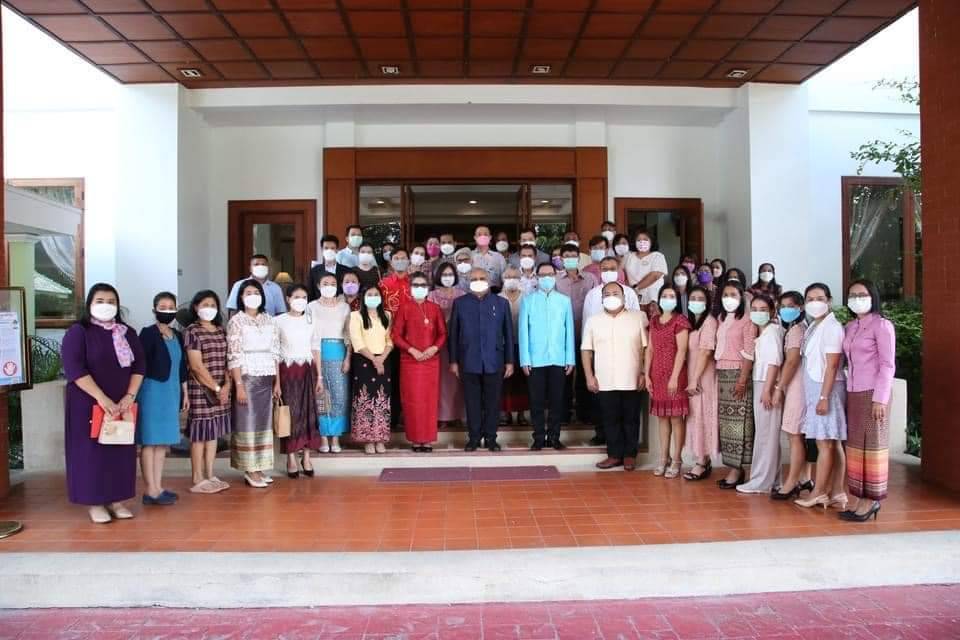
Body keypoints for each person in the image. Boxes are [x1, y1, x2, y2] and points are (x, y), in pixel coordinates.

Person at [62, 283, 146, 523]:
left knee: (120, 450)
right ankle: (95, 503)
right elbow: (74, 369)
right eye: (100, 301)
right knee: (92, 453)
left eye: (111, 301)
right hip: (88, 403)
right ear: (89, 304)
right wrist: (102, 398)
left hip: (122, 404)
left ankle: (117, 500)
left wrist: (129, 396)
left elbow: (140, 365)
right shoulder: (79, 332)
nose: (106, 305)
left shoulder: (126, 333)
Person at [841, 279, 895, 521]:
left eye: (861, 294)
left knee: (872, 446)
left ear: (873, 296)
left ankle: (871, 500)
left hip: (874, 393)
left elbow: (887, 364)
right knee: (855, 447)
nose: (857, 299)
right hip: (853, 391)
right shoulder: (850, 326)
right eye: (852, 295)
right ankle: (858, 497)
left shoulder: (882, 325)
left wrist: (880, 399)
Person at [582, 282, 648, 471]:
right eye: (607, 294)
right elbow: (586, 350)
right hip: (604, 379)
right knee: (610, 419)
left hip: (632, 377)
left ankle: (630, 455)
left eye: (616, 293)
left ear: (624, 297)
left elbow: (647, 349)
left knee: (631, 419)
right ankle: (614, 455)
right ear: (602, 298)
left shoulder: (639, 317)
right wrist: (589, 376)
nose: (611, 296)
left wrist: (644, 372)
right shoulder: (593, 321)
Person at [448, 268, 515, 452]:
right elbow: (453, 334)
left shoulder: (501, 303)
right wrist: (453, 361)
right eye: (474, 279)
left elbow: (508, 334)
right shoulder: (460, 303)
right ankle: (474, 438)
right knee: (472, 402)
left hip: (494, 360)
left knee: (493, 403)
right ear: (468, 282)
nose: (478, 281)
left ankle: (491, 438)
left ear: (489, 280)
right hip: (468, 360)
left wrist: (509, 361)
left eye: (482, 278)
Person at [795, 283, 848, 510]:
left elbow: (833, 364)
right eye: (810, 299)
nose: (814, 303)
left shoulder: (832, 327)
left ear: (829, 300)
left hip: (826, 389)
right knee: (832, 441)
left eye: (819, 298)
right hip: (817, 387)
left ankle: (818, 493)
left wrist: (824, 397)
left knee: (824, 442)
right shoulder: (815, 326)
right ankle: (837, 492)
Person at [226, 279, 281, 488]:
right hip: (247, 376)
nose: (253, 296)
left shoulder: (269, 320)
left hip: (266, 376)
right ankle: (249, 469)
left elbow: (276, 352)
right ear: (241, 297)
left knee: (263, 423)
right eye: (248, 292)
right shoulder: (236, 321)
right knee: (247, 421)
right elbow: (234, 354)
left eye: (256, 292)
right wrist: (239, 385)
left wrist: (277, 382)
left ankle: (259, 466)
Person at [137, 291, 188, 506]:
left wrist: (185, 392)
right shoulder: (147, 334)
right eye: (162, 307)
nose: (167, 310)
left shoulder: (177, 335)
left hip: (171, 392)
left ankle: (158, 487)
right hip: (151, 392)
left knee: (162, 444)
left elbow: (182, 367)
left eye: (170, 307)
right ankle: (150, 490)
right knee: (150, 442)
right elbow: (139, 365)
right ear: (154, 310)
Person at [519, 262, 576, 450]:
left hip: (559, 358)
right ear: (536, 277)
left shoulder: (564, 301)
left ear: (555, 276)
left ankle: (554, 437)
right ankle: (538, 437)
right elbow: (523, 332)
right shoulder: (528, 300)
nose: (546, 278)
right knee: (536, 402)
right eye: (542, 275)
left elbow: (569, 331)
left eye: (550, 274)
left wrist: (570, 358)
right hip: (535, 360)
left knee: (557, 401)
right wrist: (525, 359)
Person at [184, 291, 232, 495]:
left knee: (213, 433)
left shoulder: (221, 330)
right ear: (196, 307)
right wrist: (216, 388)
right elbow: (196, 366)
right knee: (200, 435)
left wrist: (227, 385)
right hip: (201, 389)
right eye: (205, 304)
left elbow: (228, 360)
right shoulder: (192, 331)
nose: (209, 308)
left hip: (221, 389)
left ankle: (210, 474)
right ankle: (197, 478)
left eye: (213, 305)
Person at [392, 272, 447, 452]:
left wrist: (434, 348)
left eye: (423, 285)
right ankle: (415, 439)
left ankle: (428, 439)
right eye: (416, 285)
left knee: (429, 401)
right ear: (410, 288)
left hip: (431, 361)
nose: (419, 288)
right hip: (410, 361)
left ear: (428, 288)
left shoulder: (435, 308)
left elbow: (443, 333)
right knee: (413, 400)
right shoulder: (404, 308)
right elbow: (396, 335)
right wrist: (412, 350)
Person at [771, 291, 816, 500]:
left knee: (794, 435)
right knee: (800, 435)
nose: (785, 310)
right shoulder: (800, 328)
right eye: (782, 306)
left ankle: (790, 484)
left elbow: (791, 361)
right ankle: (805, 478)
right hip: (800, 386)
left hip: (796, 388)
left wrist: (779, 387)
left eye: (790, 306)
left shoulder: (797, 331)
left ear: (800, 307)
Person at [737, 294, 784, 494]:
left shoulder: (772, 332)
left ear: (772, 311)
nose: (758, 313)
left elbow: (774, 362)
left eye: (763, 309)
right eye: (754, 309)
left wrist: (767, 390)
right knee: (768, 435)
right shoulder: (764, 332)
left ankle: (760, 482)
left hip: (766, 384)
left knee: (765, 435)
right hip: (762, 382)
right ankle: (773, 480)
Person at [714, 281, 758, 489]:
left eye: (733, 295)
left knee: (740, 424)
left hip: (738, 374)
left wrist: (742, 380)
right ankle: (733, 468)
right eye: (725, 295)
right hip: (722, 375)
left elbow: (749, 353)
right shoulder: (721, 319)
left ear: (742, 298)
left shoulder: (748, 321)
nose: (729, 299)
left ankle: (741, 470)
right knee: (727, 425)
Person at [645, 283, 691, 479]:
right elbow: (650, 349)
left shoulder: (680, 320)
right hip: (657, 375)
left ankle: (677, 459)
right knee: (662, 418)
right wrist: (647, 374)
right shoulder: (654, 320)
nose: (668, 299)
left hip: (675, 376)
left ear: (677, 300)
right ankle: (663, 458)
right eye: (665, 295)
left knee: (676, 418)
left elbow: (682, 351)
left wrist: (674, 377)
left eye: (672, 296)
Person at [275, 284, 321, 478]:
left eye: (304, 297)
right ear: (288, 299)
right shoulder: (278, 321)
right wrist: (276, 382)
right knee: (291, 415)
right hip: (287, 372)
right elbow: (275, 353)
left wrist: (320, 377)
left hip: (308, 371)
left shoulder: (311, 320)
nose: (300, 300)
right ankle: (291, 457)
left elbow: (316, 349)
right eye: (296, 297)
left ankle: (307, 457)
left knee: (309, 414)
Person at [308, 274, 352, 453]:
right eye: (325, 283)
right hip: (317, 352)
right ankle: (323, 437)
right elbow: (309, 334)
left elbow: (348, 334)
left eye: (333, 283)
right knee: (321, 396)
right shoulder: (311, 306)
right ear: (319, 286)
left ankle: (336, 437)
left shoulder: (344, 307)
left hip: (339, 352)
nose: (329, 286)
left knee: (339, 396)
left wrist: (348, 357)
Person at [556, 243, 598, 426]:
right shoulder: (555, 280)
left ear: (579, 258)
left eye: (573, 256)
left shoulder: (590, 279)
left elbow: (597, 301)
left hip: (586, 333)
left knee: (585, 373)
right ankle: (563, 414)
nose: (570, 259)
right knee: (564, 375)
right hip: (562, 335)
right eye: (566, 256)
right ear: (561, 259)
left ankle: (585, 413)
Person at [349, 285, 394, 454]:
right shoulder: (355, 316)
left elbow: (390, 340)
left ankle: (380, 438)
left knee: (382, 398)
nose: (373, 297)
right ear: (363, 297)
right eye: (370, 294)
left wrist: (382, 358)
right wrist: (375, 360)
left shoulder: (387, 315)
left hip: (384, 360)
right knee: (365, 398)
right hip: (364, 360)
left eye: (376, 294)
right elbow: (357, 341)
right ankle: (366, 439)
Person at [683, 286, 719, 481]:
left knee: (703, 416)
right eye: (693, 298)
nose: (696, 302)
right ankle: (701, 458)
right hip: (693, 375)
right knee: (695, 416)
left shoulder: (709, 322)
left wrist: (694, 379)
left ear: (707, 303)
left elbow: (705, 352)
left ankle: (702, 462)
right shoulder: (692, 322)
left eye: (700, 299)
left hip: (703, 377)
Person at [428, 261, 467, 427]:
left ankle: (457, 416)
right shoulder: (431, 296)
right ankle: (442, 417)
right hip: (438, 344)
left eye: (450, 274)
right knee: (441, 381)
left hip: (458, 343)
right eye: (444, 274)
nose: (447, 277)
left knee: (457, 380)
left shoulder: (462, 294)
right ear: (438, 276)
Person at [499, 267, 529, 426]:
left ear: (520, 279)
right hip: (503, 346)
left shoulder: (527, 298)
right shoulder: (497, 298)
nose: (512, 279)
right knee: (505, 379)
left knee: (522, 379)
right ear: (503, 279)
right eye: (508, 276)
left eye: (515, 276)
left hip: (523, 345)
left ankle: (522, 413)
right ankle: (506, 413)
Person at [582, 257, 641, 329]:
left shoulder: (629, 292)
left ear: (618, 270)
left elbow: (637, 317)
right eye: (605, 269)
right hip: (599, 333)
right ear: (600, 270)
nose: (609, 272)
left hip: (624, 332)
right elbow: (586, 320)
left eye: (612, 269)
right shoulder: (592, 294)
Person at [623, 229, 668, 307]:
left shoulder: (657, 256)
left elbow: (655, 275)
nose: (642, 242)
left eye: (645, 239)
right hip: (633, 299)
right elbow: (621, 273)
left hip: (653, 300)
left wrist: (636, 288)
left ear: (651, 241)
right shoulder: (628, 256)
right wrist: (628, 290)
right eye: (638, 240)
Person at [471, 225, 507, 289]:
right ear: (475, 237)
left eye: (485, 234)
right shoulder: (469, 256)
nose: (482, 237)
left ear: (490, 237)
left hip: (494, 292)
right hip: (473, 292)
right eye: (479, 234)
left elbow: (505, 279)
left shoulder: (499, 257)